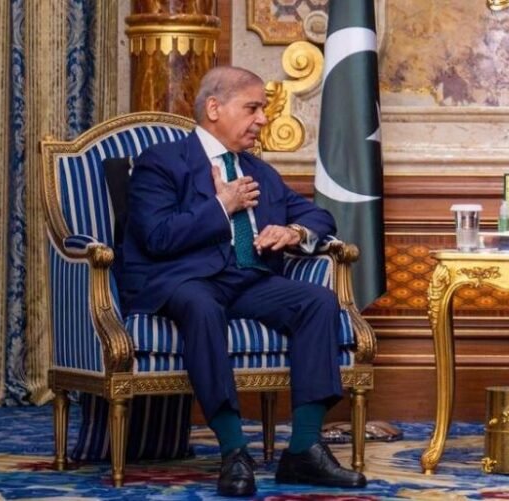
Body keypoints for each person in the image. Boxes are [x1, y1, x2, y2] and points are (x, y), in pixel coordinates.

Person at [119, 66, 367, 497]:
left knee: (319, 302)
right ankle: (234, 450)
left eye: (264, 110)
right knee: (201, 305)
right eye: (252, 108)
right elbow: (157, 237)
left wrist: (294, 233)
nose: (263, 119)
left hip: (248, 279)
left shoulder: (258, 170)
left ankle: (305, 450)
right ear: (214, 108)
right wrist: (222, 204)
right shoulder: (161, 162)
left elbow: (316, 215)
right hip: (186, 279)